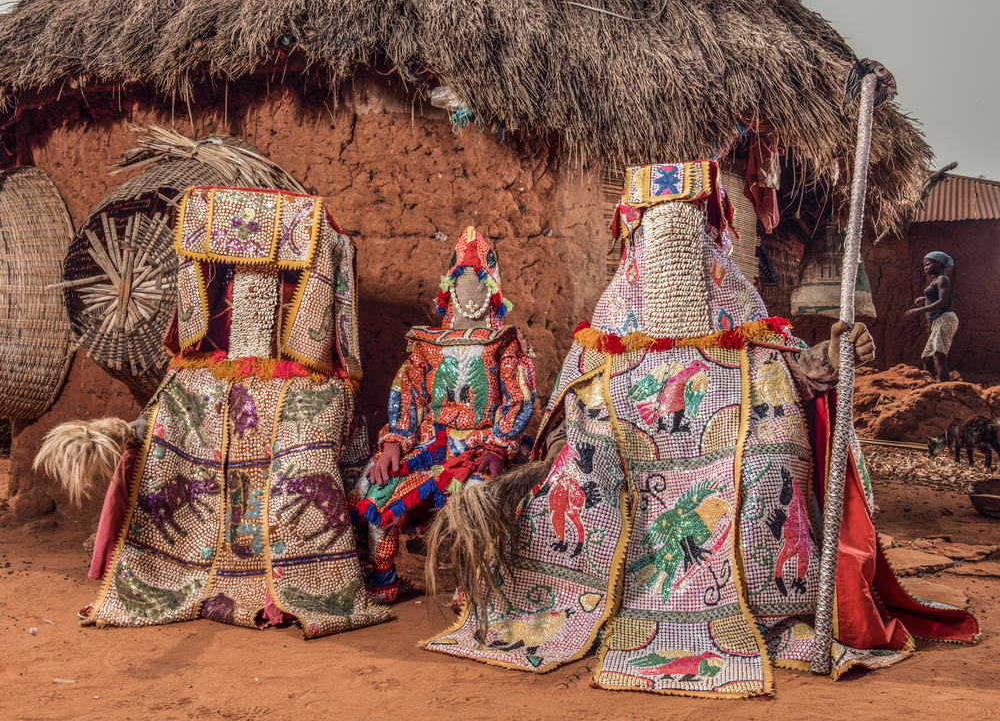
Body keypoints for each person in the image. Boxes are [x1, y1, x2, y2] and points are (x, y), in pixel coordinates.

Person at [421, 161, 978, 697]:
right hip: (627, 498)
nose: (673, 251)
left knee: (775, 447)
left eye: (687, 233)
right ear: (637, 246)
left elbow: (807, 374)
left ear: (712, 244)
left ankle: (772, 602)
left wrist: (835, 355)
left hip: (731, 522)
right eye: (660, 236)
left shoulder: (752, 332)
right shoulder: (605, 341)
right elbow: (561, 424)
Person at [37, 185, 390, 638]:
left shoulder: (321, 262)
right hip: (224, 367)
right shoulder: (208, 326)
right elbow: (194, 346)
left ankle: (286, 580)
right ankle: (169, 565)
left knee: (304, 447)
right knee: (173, 418)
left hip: (294, 372)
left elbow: (328, 356)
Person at [350, 226, 537, 604]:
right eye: (462, 284)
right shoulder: (426, 346)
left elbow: (518, 396)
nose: (471, 292)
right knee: (375, 486)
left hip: (482, 444)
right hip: (434, 442)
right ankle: (384, 580)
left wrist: (500, 447)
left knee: (476, 495)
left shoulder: (505, 344)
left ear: (493, 290)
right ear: (450, 290)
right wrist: (393, 442)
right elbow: (410, 392)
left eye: (478, 283)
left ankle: (475, 588)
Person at [905, 251, 957, 382]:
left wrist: (919, 310)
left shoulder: (942, 279)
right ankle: (930, 386)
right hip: (938, 321)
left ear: (938, 264)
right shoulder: (937, 280)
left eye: (928, 264)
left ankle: (944, 389)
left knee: (938, 355)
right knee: (927, 357)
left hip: (944, 318)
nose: (925, 267)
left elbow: (943, 302)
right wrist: (925, 299)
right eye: (924, 265)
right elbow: (938, 297)